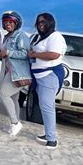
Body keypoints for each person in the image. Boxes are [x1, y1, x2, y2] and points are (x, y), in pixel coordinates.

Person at [29, 13, 67, 149]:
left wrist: (35, 54)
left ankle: (52, 139)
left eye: (44, 22)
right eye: (38, 22)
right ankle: (48, 133)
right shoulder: (40, 37)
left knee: (47, 106)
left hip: (49, 75)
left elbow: (54, 54)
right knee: (44, 107)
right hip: (39, 76)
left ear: (50, 22)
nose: (41, 24)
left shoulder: (55, 37)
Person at [0, 11, 31, 136]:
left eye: (10, 22)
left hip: (18, 73)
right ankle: (15, 125)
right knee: (13, 98)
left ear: (16, 23)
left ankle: (15, 123)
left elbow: (25, 54)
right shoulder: (6, 37)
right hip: (9, 72)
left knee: (3, 95)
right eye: (5, 22)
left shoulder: (20, 35)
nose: (7, 24)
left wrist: (8, 53)